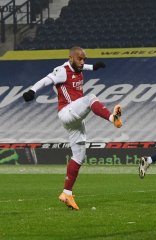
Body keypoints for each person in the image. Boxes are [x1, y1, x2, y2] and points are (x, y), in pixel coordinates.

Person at [22, 46, 123, 210]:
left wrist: (94, 67)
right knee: (90, 98)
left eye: (85, 59)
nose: (83, 62)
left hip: (75, 117)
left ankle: (66, 194)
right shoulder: (62, 70)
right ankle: (113, 118)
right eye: (80, 59)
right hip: (67, 111)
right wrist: (32, 90)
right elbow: (46, 79)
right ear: (70, 58)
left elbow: (83, 66)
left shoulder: (79, 67)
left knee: (79, 155)